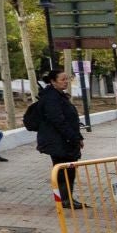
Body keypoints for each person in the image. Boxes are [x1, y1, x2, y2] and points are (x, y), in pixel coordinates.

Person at [31, 69, 85, 208]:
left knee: (68, 170)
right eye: (62, 79)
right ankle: (65, 199)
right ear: (53, 81)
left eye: (67, 79)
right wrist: (73, 138)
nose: (66, 82)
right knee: (63, 171)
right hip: (58, 141)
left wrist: (77, 137)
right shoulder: (51, 98)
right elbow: (58, 121)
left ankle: (67, 198)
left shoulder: (59, 95)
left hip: (64, 140)